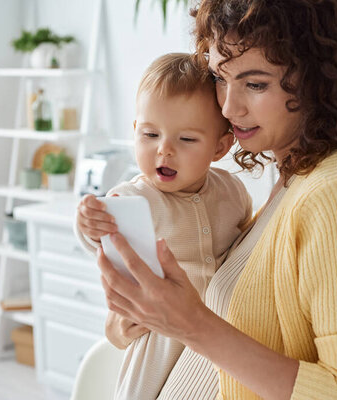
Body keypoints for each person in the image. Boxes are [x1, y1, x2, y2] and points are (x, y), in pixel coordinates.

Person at [97, 0, 337, 399]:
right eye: (220, 78)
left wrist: (191, 324)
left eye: (255, 83)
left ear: (321, 79)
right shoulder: (293, 182)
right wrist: (135, 322)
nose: (229, 107)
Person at [74, 53, 253, 399]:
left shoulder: (232, 191)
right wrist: (87, 221)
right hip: (156, 341)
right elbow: (98, 237)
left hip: (218, 337)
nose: (164, 150)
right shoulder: (132, 199)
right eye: (150, 134)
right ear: (135, 131)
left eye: (186, 140)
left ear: (220, 146)